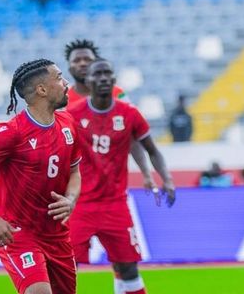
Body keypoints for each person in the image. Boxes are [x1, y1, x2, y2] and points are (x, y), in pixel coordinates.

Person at [0, 59, 82, 294]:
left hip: (57, 235)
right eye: (59, 77)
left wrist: (71, 199)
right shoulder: (12, 132)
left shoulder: (68, 124)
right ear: (42, 90)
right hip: (19, 233)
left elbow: (75, 171)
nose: (66, 83)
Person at [67, 59, 175, 294]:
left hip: (115, 205)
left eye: (108, 73)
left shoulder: (129, 114)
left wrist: (165, 179)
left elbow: (152, 150)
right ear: (88, 80)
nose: (104, 78)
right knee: (65, 267)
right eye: (98, 74)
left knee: (128, 269)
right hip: (79, 204)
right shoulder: (72, 114)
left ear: (114, 80)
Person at [64, 39, 156, 190]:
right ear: (69, 66)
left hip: (113, 182)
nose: (82, 63)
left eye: (87, 59)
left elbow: (132, 136)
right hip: (76, 184)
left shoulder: (117, 94)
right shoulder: (63, 100)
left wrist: (146, 173)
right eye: (76, 60)